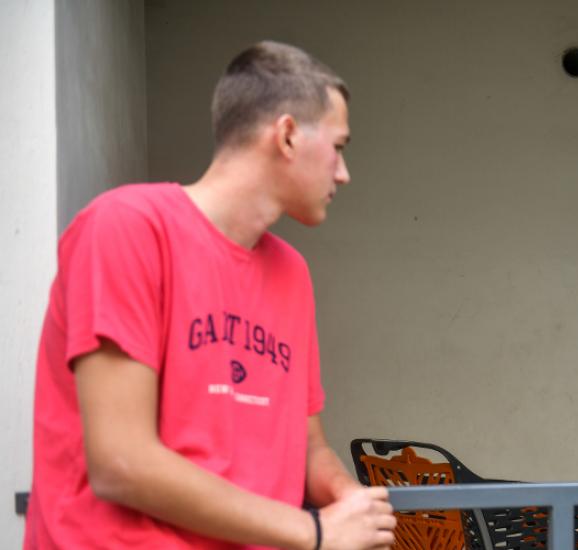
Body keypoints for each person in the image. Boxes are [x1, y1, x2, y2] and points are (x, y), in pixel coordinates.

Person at [25, 41, 396, 549]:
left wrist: (350, 503)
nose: (343, 173)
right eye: (339, 147)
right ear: (287, 136)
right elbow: (121, 463)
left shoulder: (292, 273)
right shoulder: (126, 227)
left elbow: (308, 447)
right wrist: (315, 532)